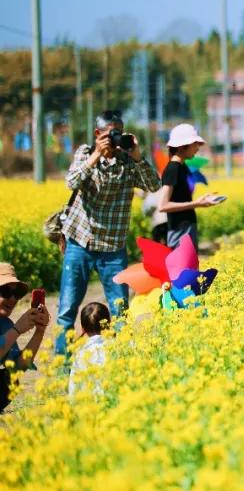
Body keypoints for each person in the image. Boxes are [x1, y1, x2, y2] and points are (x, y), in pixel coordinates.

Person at [57, 110, 161, 356]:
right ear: (98, 134)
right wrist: (95, 155)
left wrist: (137, 156)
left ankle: (120, 362)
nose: (115, 139)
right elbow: (71, 182)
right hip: (80, 243)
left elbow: (154, 186)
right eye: (110, 133)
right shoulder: (85, 153)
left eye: (119, 133)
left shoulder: (128, 162)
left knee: (120, 312)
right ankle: (63, 366)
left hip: (113, 249)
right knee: (66, 310)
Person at [158, 124, 222, 250]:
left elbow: (181, 198)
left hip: (186, 227)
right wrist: (196, 203)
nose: (197, 148)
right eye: (195, 144)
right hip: (179, 231)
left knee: (190, 268)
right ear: (183, 146)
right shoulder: (173, 169)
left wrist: (201, 200)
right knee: (183, 269)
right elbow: (163, 205)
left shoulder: (182, 167)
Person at [0, 264, 50, 411]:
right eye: (6, 291)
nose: (13, 299)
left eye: (17, 293)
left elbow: (18, 368)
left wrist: (39, 331)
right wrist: (17, 329)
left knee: (8, 380)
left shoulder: (4, 324)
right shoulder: (11, 327)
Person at [68, 302, 109, 398]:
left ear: (83, 329)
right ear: (109, 324)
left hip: (87, 406)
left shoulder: (80, 353)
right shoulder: (118, 348)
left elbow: (73, 387)